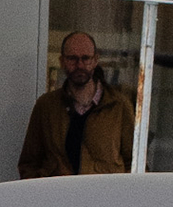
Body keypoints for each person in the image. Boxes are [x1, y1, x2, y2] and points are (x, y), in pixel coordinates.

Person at [17, 32, 129, 178]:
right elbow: (29, 163)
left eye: (86, 58)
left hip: (103, 197)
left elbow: (135, 163)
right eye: (72, 59)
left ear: (95, 60)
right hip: (57, 197)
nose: (79, 65)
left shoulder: (119, 106)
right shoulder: (46, 106)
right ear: (62, 61)